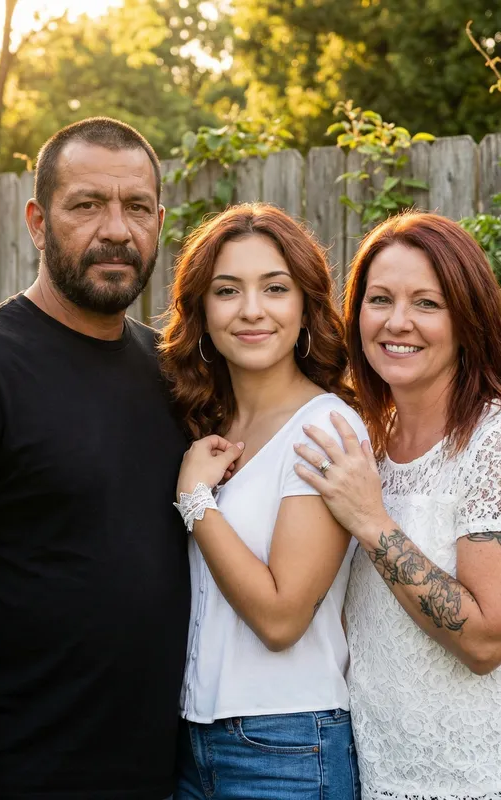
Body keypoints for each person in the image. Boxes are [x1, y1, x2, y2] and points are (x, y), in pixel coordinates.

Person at [0, 117, 189, 800]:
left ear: (159, 220)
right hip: (15, 779)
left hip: (159, 781)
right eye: (86, 205)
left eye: (136, 207)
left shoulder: (171, 372)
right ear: (38, 220)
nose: (117, 229)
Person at [295, 211, 501, 800]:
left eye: (427, 303)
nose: (398, 322)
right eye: (379, 299)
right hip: (381, 779)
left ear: (467, 319)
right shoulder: (364, 443)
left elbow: (485, 640)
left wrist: (372, 521)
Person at [159, 203, 367, 800]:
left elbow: (282, 618)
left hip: (287, 746)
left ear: (305, 307)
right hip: (189, 738)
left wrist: (197, 502)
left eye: (275, 289)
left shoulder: (325, 430)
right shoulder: (205, 423)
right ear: (201, 311)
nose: (252, 310)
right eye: (228, 291)